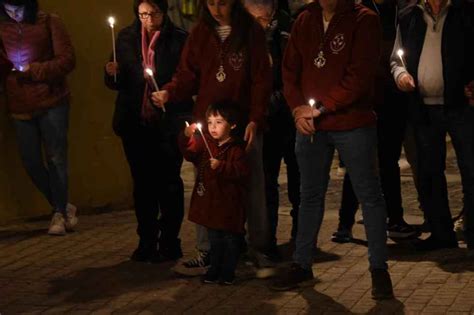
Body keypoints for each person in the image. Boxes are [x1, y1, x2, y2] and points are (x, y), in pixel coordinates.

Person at [271, 0, 394, 300]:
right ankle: (302, 263)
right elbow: (290, 69)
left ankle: (379, 269)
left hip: (352, 123)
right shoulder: (306, 18)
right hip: (311, 125)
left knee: (369, 195)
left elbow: (359, 75)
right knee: (309, 195)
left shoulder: (364, 19)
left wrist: (322, 108)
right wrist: (298, 108)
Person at [152, 0, 273, 276]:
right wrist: (170, 92)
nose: (217, 7)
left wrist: (255, 117)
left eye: (222, 1)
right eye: (211, 2)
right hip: (210, 124)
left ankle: (257, 248)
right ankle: (207, 250)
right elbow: (187, 74)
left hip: (242, 124)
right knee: (207, 186)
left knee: (251, 186)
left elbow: (260, 79)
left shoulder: (250, 31)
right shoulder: (200, 32)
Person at [104, 0, 193, 263]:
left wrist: (170, 92)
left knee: (169, 183)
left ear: (163, 13)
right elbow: (116, 82)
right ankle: (146, 240)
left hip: (168, 122)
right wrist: (111, 73)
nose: (148, 19)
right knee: (142, 184)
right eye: (143, 14)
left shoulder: (178, 39)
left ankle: (169, 241)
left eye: (153, 13)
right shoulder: (126, 38)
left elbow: (187, 76)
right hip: (135, 122)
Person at [332, 0, 420, 244]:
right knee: (358, 159)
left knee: (388, 160)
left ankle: (394, 218)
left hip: (394, 96)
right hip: (366, 96)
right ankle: (345, 223)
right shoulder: (359, 11)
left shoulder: (402, 10)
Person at [391, 0, 474, 251]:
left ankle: (472, 230)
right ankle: (441, 233)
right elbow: (396, 59)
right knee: (430, 171)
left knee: (471, 169)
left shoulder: (465, 12)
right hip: (423, 108)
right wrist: (401, 76)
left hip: (461, 105)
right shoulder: (409, 16)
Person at [0, 0, 76, 236]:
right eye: (9, 10)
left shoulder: (49, 21)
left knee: (56, 159)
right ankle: (63, 206)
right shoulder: (2, 28)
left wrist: (33, 70)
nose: (14, 15)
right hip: (19, 103)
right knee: (31, 161)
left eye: (18, 9)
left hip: (52, 101)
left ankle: (58, 213)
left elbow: (67, 60)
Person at [244, 0, 300, 257]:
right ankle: (266, 241)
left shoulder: (289, 29)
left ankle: (302, 237)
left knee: (299, 180)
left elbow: (293, 74)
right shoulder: (245, 34)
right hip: (265, 120)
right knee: (266, 182)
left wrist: (272, 100)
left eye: (260, 19)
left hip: (290, 116)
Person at [179, 102, 249, 284]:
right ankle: (214, 269)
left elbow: (241, 171)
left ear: (232, 125)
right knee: (214, 240)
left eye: (218, 122)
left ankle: (228, 272)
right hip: (211, 204)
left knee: (230, 241)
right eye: (210, 122)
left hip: (230, 205)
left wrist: (222, 166)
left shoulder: (236, 149)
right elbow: (190, 154)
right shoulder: (206, 145)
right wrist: (186, 138)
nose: (213, 127)